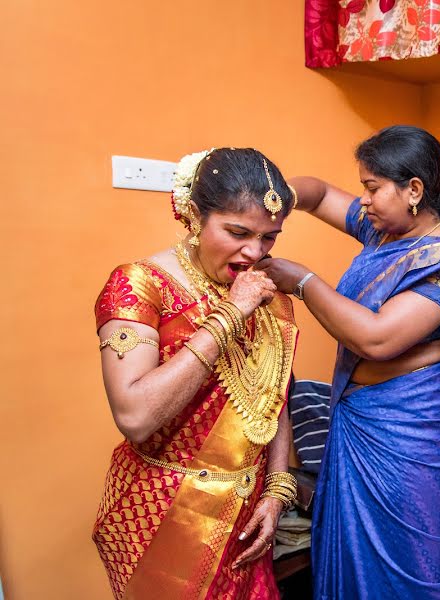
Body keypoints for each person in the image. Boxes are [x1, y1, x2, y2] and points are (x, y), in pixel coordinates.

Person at [259, 125, 440, 599]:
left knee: (413, 567)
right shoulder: (382, 232)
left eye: (372, 187)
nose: (364, 200)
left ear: (414, 190)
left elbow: (377, 339)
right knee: (357, 567)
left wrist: (302, 281)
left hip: (412, 439)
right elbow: (317, 193)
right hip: (359, 425)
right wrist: (277, 198)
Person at [93, 148, 299, 599]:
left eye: (269, 237)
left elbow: (275, 391)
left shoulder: (265, 291)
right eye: (238, 232)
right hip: (169, 518)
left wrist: (277, 490)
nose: (254, 252)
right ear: (193, 215)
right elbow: (136, 415)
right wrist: (231, 313)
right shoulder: (139, 286)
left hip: (247, 522)